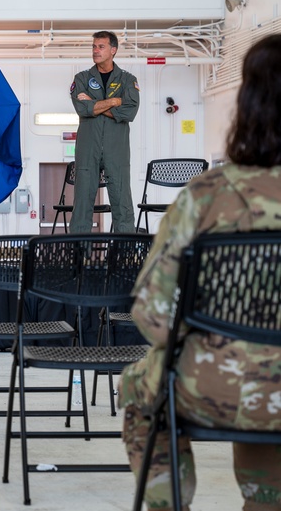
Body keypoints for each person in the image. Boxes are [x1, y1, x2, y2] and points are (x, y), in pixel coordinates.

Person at [121, 34, 281, 510]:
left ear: (247, 104)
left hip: (216, 385)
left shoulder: (206, 196)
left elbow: (152, 316)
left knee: (138, 389)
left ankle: (171, 505)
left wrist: (218, 341)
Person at [68, 31, 140, 233]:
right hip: (87, 148)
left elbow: (129, 111)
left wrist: (94, 104)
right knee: (82, 203)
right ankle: (78, 258)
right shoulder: (81, 78)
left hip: (116, 150)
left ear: (113, 50)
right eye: (94, 46)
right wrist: (114, 101)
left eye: (101, 46)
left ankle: (123, 257)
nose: (96, 50)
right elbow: (82, 109)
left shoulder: (127, 80)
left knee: (122, 203)